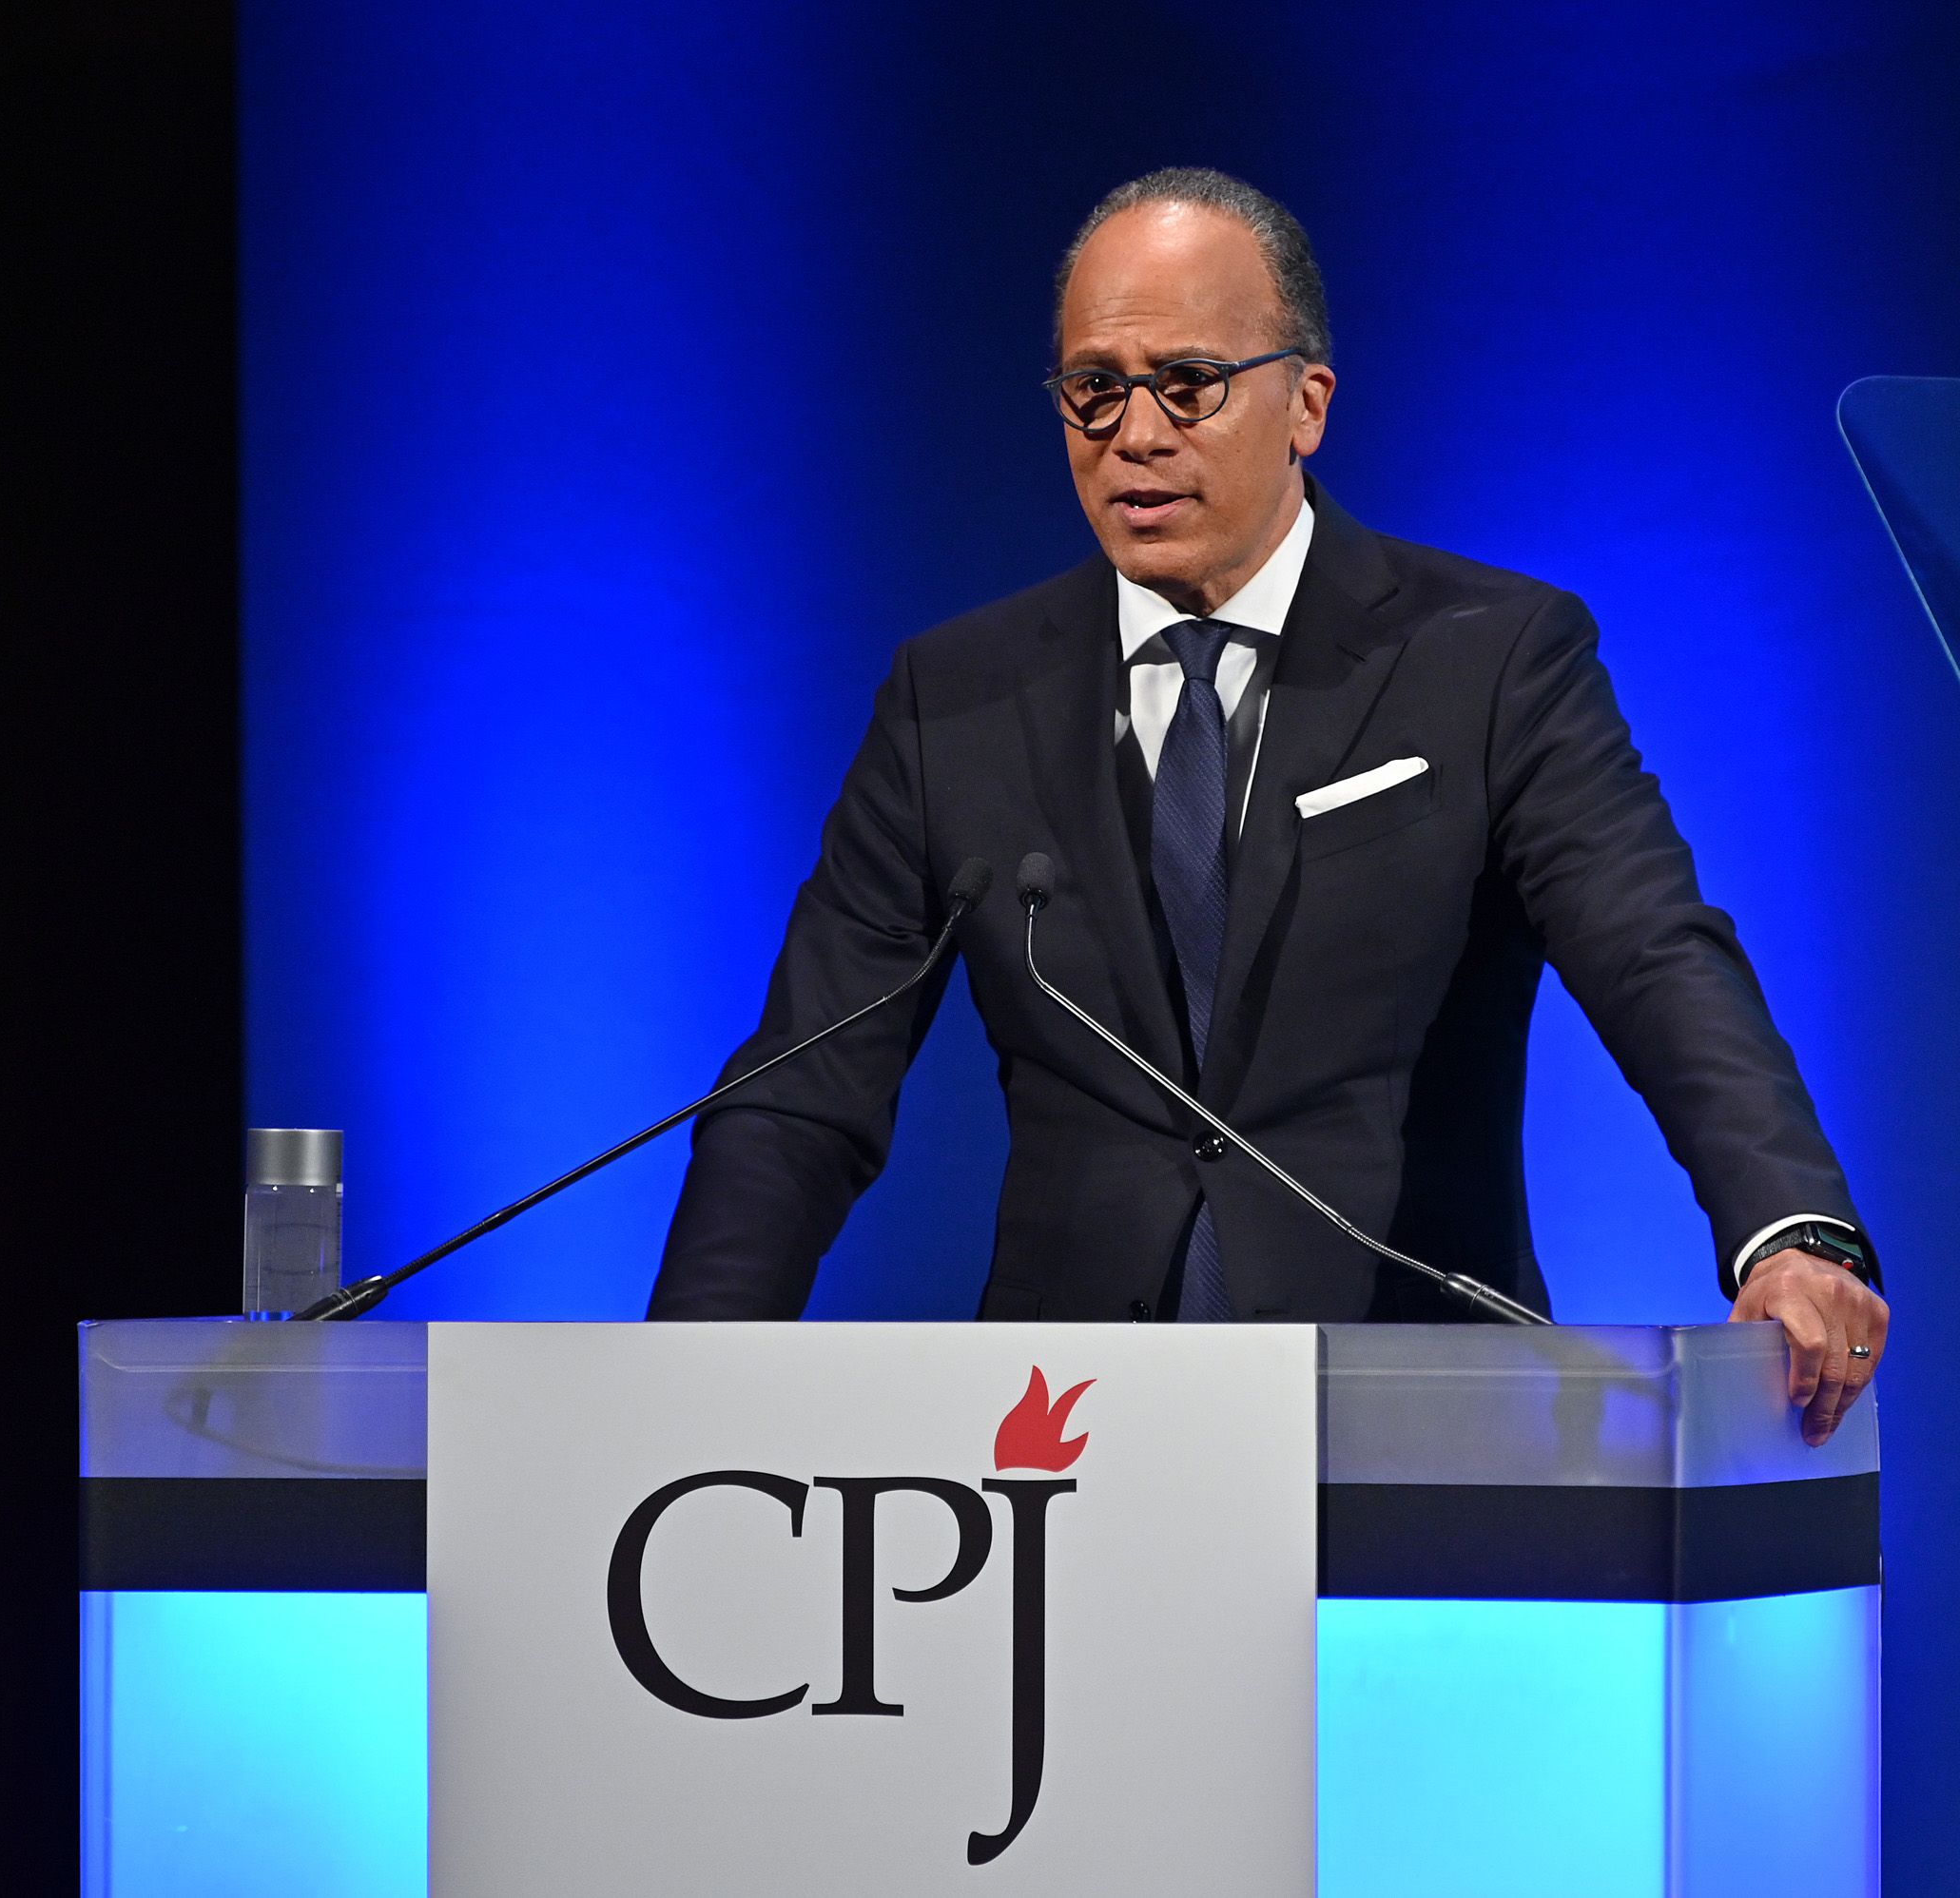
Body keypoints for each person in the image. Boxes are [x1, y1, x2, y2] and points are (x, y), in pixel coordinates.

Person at [649, 168, 1888, 1445]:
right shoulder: (955, 697)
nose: (1135, 433)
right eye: (1095, 390)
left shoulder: (1486, 659)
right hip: (1060, 1448)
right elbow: (807, 1084)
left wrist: (1785, 1231)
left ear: (1307, 403)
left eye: (1187, 384)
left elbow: (1652, 952)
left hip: (1410, 1419)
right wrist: (671, 1388)